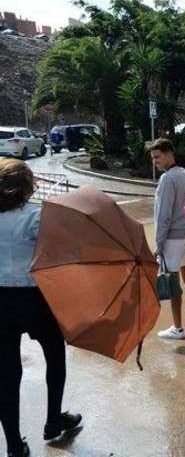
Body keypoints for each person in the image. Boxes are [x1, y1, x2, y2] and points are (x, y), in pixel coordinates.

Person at [0, 158, 81, 457]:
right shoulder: (36, 217)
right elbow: (61, 252)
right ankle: (53, 420)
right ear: (24, 188)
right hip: (34, 299)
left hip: (0, 303)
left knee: (6, 375)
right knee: (54, 356)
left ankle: (13, 446)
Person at [148, 138, 185, 340]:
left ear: (170, 155)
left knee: (173, 281)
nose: (155, 162)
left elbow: (164, 214)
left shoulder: (168, 179)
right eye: (153, 158)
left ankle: (178, 328)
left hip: (172, 238)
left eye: (157, 157)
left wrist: (159, 244)